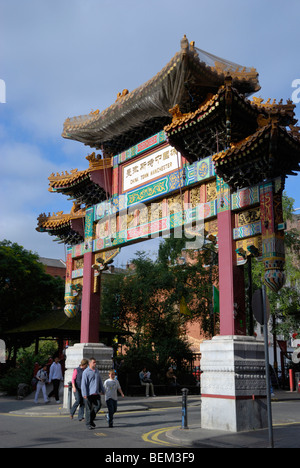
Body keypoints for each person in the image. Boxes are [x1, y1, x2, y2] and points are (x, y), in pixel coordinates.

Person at [81, 357, 105, 430]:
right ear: (89, 363)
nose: (95, 363)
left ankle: (90, 420)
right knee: (88, 409)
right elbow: (83, 384)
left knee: (98, 406)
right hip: (89, 393)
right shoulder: (86, 372)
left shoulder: (96, 370)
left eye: (95, 362)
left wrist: (102, 390)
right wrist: (84, 394)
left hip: (96, 392)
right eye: (93, 362)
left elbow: (100, 381)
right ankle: (88, 424)